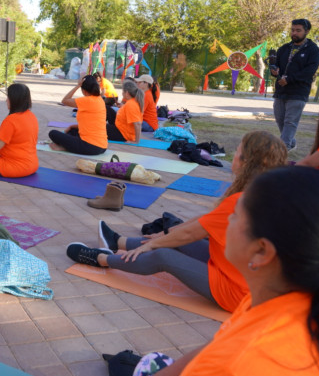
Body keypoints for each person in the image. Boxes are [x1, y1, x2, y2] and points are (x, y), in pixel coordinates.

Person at [117, 167, 319, 376]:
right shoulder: (301, 298)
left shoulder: (238, 374)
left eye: (234, 216)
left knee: (142, 367)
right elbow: (215, 347)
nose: (225, 221)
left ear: (261, 252)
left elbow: (227, 366)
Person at [67, 131, 287, 312]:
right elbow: (204, 222)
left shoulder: (244, 200)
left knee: (164, 255)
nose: (235, 152)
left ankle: (103, 259)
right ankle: (118, 242)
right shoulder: (261, 193)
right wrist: (167, 235)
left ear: (247, 161)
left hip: (237, 292)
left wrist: (157, 243)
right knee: (174, 238)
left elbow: (193, 233)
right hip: (240, 275)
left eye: (238, 149)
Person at [270, 18, 319, 150]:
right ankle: (290, 142)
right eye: (293, 30)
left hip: (298, 92)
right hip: (281, 91)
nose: (294, 33)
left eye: (298, 30)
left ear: (307, 31)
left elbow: (309, 71)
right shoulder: (284, 48)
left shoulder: (313, 50)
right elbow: (276, 65)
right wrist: (274, 70)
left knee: (290, 122)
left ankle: (282, 150)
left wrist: (289, 79)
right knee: (280, 120)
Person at [48, 75, 108, 155]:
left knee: (53, 133)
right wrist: (72, 126)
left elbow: (65, 101)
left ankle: (64, 148)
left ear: (84, 90)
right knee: (72, 131)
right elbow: (92, 124)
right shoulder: (99, 99)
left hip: (91, 146)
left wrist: (78, 85)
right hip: (102, 146)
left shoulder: (87, 100)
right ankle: (67, 146)